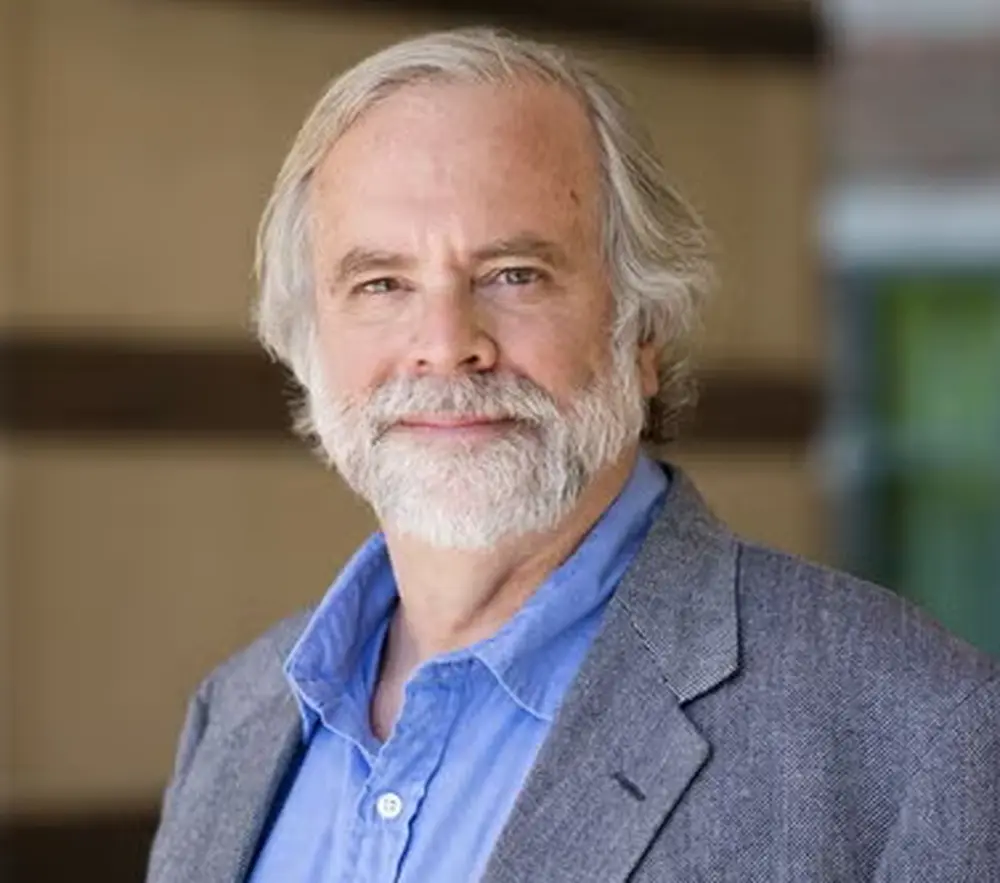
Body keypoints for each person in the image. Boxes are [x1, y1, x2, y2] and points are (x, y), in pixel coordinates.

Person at [146, 27, 999, 883]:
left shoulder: (915, 729)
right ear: (308, 341)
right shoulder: (239, 716)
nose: (446, 345)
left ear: (644, 328)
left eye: (514, 273)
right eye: (382, 285)